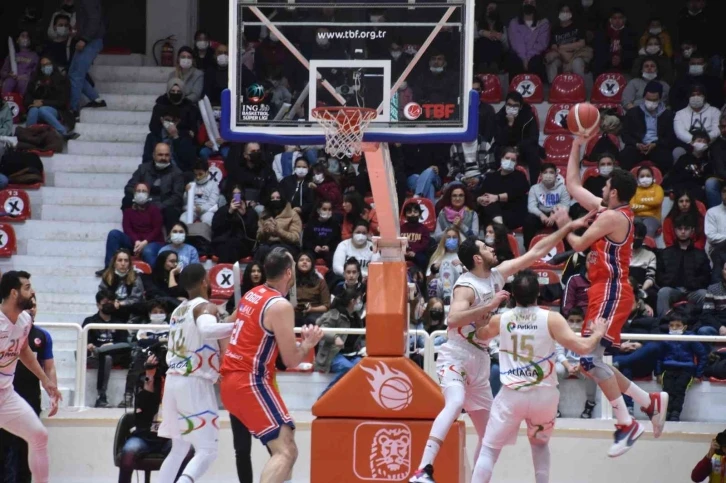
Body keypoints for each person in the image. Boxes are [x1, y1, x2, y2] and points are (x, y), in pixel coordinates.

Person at [409, 220, 585, 483]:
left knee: (490, 438)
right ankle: (423, 469)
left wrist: (566, 228)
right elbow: (453, 319)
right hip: (456, 355)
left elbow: (535, 253)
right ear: (478, 258)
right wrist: (488, 306)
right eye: (486, 247)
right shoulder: (466, 286)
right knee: (455, 402)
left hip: (480, 359)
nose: (492, 248)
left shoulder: (497, 275)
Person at [553, 133, 669, 457]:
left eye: (605, 186)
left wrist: (565, 223)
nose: (601, 188)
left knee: (588, 360)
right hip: (603, 290)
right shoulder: (609, 210)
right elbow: (573, 184)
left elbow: (578, 244)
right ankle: (648, 402)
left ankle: (626, 422)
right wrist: (577, 142)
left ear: (614, 191)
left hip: (612, 290)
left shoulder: (612, 217)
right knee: (594, 361)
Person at [470, 270, 608, 483]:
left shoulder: (501, 319)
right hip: (544, 396)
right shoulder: (552, 318)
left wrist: (480, 320)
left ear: (513, 295)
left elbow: (480, 336)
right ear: (538, 294)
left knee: (489, 450)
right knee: (540, 445)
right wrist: (598, 333)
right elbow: (583, 347)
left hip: (512, 395)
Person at [221, 248, 325, 483]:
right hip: (250, 382)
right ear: (289, 272)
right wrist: (308, 343)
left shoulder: (251, 294)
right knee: (286, 452)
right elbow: (291, 360)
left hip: (231, 381)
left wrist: (226, 359)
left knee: (287, 439)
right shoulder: (280, 305)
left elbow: (225, 327)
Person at [157, 264, 235, 483]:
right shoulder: (205, 306)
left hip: (173, 381)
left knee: (179, 449)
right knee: (208, 450)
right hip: (193, 381)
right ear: (204, 282)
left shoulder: (178, 310)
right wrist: (239, 325)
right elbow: (207, 330)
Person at [0, 271, 61, 483]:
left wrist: (45, 380)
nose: (32, 291)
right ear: (14, 293)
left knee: (39, 436)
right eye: (27, 288)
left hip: (5, 396)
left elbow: (23, 349)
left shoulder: (25, 320)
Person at [99, 182, 165, 274]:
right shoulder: (128, 211)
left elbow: (157, 229)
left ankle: (155, 275)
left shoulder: (154, 210)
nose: (141, 193)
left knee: (148, 251)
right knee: (113, 234)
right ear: (134, 193)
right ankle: (109, 269)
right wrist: (137, 241)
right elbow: (127, 229)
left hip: (152, 242)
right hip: (134, 243)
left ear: (148, 194)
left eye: (144, 191)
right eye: (138, 191)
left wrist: (144, 242)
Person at [83, 290, 132, 407]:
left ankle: (129, 396)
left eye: (111, 301)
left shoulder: (119, 322)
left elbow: (123, 343)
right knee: (106, 357)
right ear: (98, 305)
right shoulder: (89, 321)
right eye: (105, 302)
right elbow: (85, 341)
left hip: (116, 355)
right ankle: (101, 396)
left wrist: (110, 345)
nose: (109, 304)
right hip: (96, 356)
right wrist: (90, 346)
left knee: (131, 352)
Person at [656, 311, 708, 422]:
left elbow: (702, 355)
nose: (674, 328)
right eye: (671, 325)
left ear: (685, 327)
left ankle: (675, 414)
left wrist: (698, 374)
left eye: (678, 325)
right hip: (668, 369)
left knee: (679, 391)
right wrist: (658, 373)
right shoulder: (664, 338)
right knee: (667, 391)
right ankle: (667, 412)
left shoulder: (691, 338)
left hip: (686, 369)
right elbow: (658, 356)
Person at [656, 214, 711, 317]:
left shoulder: (700, 254)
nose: (683, 232)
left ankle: (701, 322)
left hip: (693, 291)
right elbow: (659, 275)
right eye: (680, 228)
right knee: (663, 292)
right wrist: (670, 282)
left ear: (692, 231)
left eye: (686, 229)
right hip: (672, 289)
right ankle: (663, 322)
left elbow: (706, 277)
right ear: (674, 230)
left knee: (704, 294)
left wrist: (692, 284)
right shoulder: (666, 253)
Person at [314, 287, 364, 394]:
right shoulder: (334, 314)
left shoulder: (357, 318)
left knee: (364, 367)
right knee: (347, 368)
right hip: (333, 355)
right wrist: (335, 337)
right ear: (352, 301)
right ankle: (326, 397)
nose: (360, 303)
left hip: (352, 354)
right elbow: (322, 330)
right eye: (359, 300)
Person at [620, 81, 676, 172]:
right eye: (649, 99)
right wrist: (637, 144)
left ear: (660, 99)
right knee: (625, 156)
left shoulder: (668, 115)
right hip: (637, 146)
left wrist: (655, 144)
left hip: (657, 146)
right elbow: (625, 134)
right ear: (644, 97)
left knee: (666, 159)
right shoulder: (633, 113)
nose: (651, 103)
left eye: (654, 100)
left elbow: (670, 137)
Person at [555, 307, 598, 418]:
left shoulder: (589, 335)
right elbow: (559, 354)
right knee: (555, 371)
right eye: (571, 320)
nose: (574, 324)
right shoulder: (561, 333)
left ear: (584, 321)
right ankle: (554, 404)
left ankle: (590, 403)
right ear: (566, 321)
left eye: (578, 321)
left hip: (581, 364)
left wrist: (580, 365)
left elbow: (589, 353)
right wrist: (568, 366)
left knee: (591, 372)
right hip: (565, 364)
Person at [475, 147, 530, 231]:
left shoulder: (520, 176)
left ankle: (500, 228)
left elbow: (517, 192)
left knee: (491, 206)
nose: (509, 161)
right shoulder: (491, 177)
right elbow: (481, 193)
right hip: (492, 211)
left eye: (513, 160)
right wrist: (480, 199)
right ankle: (501, 227)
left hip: (513, 211)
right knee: (489, 205)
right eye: (507, 158)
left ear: (516, 163)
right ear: (501, 159)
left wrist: (496, 197)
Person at [68, 0, 107, 114]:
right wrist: (78, 34)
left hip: (91, 41)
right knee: (73, 74)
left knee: (76, 75)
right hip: (89, 40)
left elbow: (94, 20)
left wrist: (84, 39)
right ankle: (96, 99)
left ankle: (73, 110)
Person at [24, 57, 77, 140]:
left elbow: (62, 102)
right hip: (36, 108)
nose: (46, 67)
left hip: (56, 110)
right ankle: (29, 136)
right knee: (33, 110)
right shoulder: (35, 80)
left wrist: (43, 102)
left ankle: (63, 132)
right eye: (43, 65)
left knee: (43, 110)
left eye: (48, 64)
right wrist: (34, 102)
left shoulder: (62, 80)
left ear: (53, 65)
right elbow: (27, 97)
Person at [493, 92, 541, 182]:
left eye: (515, 106)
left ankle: (534, 184)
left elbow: (534, 138)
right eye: (509, 105)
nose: (511, 108)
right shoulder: (499, 117)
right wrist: (509, 125)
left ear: (521, 107)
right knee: (497, 150)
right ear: (505, 104)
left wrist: (518, 147)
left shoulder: (528, 116)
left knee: (533, 153)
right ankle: (498, 181)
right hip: (506, 147)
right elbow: (499, 139)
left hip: (523, 148)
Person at [523, 162, 571, 248]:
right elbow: (531, 206)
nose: (548, 175)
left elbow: (566, 206)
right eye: (545, 172)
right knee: (528, 221)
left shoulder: (562, 188)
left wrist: (554, 215)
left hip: (557, 214)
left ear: (556, 175)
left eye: (551, 172)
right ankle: (529, 250)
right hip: (540, 214)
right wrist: (542, 215)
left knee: (566, 221)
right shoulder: (534, 188)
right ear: (540, 175)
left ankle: (567, 252)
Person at [545, 3, 592, 83]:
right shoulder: (555, 29)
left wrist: (563, 47)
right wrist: (563, 54)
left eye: (567, 11)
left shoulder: (577, 26)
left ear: (571, 13)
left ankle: (580, 86)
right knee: (552, 63)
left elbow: (581, 44)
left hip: (577, 54)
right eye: (563, 11)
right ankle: (554, 87)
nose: (565, 13)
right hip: (561, 56)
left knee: (577, 63)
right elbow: (554, 48)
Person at [180, 159, 220, 226]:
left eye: (200, 174)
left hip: (206, 210)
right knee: (182, 220)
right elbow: (185, 203)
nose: (198, 177)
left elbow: (212, 203)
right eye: (196, 174)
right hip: (192, 209)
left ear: (207, 172)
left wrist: (201, 208)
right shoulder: (191, 184)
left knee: (209, 220)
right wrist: (186, 193)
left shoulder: (213, 185)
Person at [631, 165, 665, 237]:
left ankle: (647, 244)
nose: (645, 178)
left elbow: (657, 202)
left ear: (653, 177)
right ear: (637, 179)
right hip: (636, 217)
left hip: (653, 217)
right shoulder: (634, 189)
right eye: (642, 176)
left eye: (648, 176)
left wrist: (640, 202)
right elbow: (632, 206)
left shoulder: (658, 188)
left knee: (648, 229)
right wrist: (651, 206)